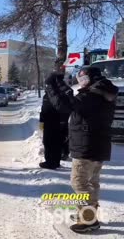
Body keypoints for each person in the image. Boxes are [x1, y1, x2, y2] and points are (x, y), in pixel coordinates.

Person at [45, 66, 118, 233]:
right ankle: (87, 214)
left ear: (90, 79)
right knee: (92, 182)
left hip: (86, 147)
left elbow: (64, 105)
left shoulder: (91, 95)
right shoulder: (102, 92)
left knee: (79, 183)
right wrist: (60, 83)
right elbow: (72, 99)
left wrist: (51, 85)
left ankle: (88, 220)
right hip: (98, 146)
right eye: (79, 80)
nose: (81, 84)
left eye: (83, 80)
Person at [39, 64, 71, 169]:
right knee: (48, 141)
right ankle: (51, 161)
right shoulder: (48, 93)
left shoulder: (60, 92)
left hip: (56, 121)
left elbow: (63, 106)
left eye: (48, 84)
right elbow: (44, 107)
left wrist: (63, 121)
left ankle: (52, 162)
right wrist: (41, 121)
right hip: (47, 120)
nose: (47, 86)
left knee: (53, 142)